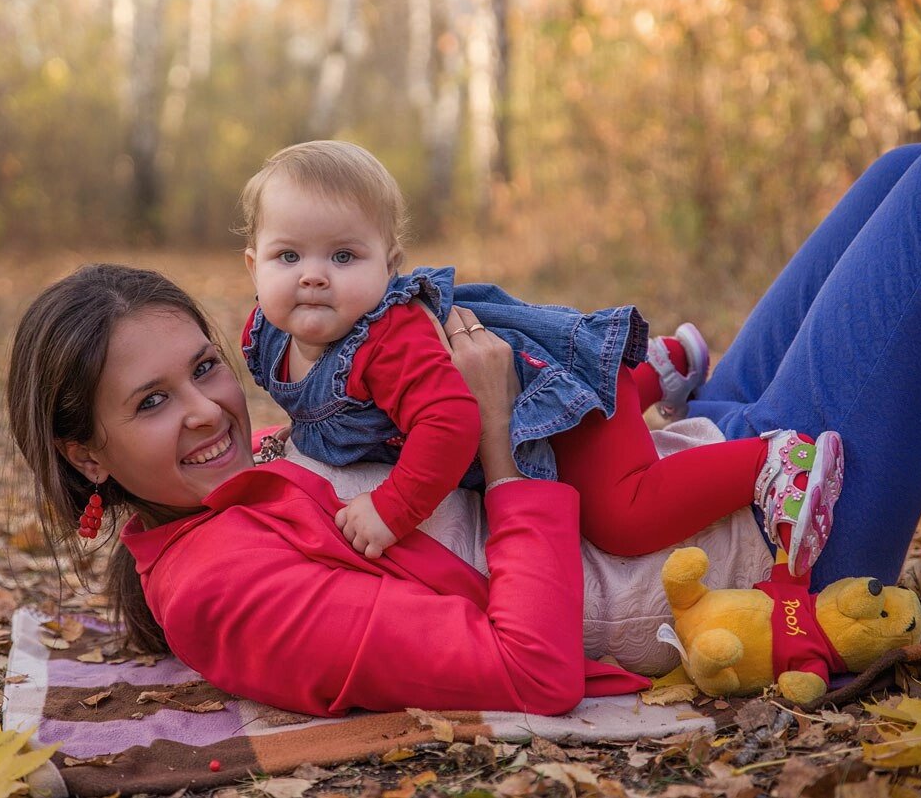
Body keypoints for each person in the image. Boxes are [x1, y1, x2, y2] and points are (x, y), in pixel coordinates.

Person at [5, 129, 921, 716]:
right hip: (768, 540)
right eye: (150, 402)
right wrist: (501, 438)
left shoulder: (232, 484)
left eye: (205, 368)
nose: (208, 409)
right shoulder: (229, 592)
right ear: (84, 451)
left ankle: (659, 379)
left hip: (697, 455)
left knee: (903, 170)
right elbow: (531, 669)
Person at [238, 140, 842, 576]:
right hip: (539, 385)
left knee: (621, 519)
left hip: (547, 421)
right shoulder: (268, 333)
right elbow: (327, 401)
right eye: (288, 257)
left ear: (389, 265)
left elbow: (450, 426)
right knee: (602, 404)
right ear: (254, 264)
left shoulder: (389, 340)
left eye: (343, 257)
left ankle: (771, 461)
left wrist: (392, 510)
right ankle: (653, 371)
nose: (313, 277)